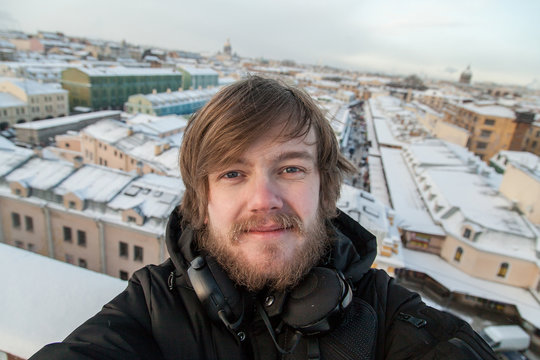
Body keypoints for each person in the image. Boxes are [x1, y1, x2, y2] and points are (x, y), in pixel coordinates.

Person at [30, 76, 496, 359]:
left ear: (325, 190)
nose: (264, 198)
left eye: (290, 168)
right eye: (233, 172)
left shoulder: (388, 317)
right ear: (202, 201)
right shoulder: (153, 309)